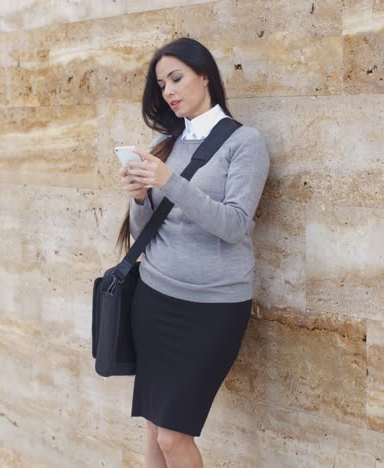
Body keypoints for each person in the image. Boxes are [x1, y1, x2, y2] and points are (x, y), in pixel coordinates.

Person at [115, 37, 270, 468]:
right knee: (153, 426)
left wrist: (169, 181)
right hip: (154, 298)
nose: (169, 91)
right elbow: (146, 232)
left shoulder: (246, 143)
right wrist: (140, 197)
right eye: (162, 84)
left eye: (177, 78)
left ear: (205, 74)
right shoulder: (165, 141)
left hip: (212, 307)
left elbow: (234, 225)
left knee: (173, 436)